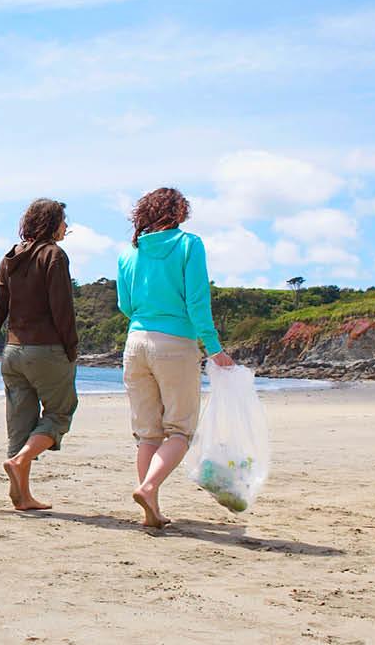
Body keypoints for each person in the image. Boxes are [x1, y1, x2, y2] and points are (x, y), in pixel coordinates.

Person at [116, 187, 234, 528]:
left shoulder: (128, 253)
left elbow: (125, 305)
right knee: (180, 430)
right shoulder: (188, 245)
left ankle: (149, 507)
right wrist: (214, 347)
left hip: (135, 343)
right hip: (175, 342)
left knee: (147, 433)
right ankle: (149, 487)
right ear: (178, 212)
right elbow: (197, 301)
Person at [0, 198, 79, 512]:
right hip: (47, 351)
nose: (66, 227)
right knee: (60, 413)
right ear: (52, 223)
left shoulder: (9, 258)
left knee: (19, 426)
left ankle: (21, 496)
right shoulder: (53, 255)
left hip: (12, 354)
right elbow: (62, 309)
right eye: (63, 221)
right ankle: (21, 460)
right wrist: (72, 349)